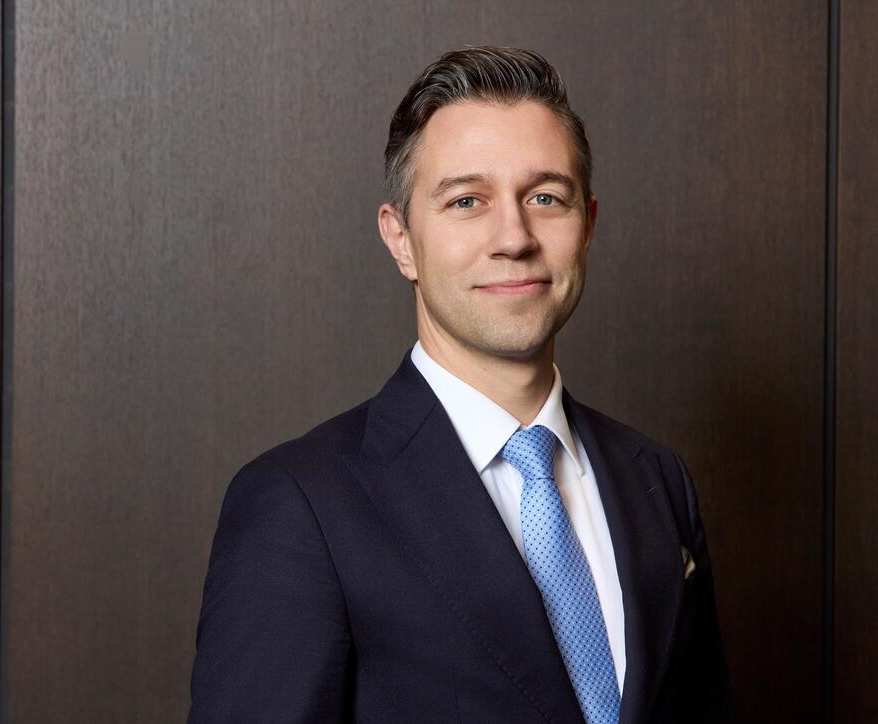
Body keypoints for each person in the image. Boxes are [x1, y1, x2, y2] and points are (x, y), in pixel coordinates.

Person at [188, 46, 732, 723]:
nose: (514, 237)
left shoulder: (657, 480)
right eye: (467, 201)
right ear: (401, 240)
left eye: (545, 197)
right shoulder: (300, 504)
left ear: (588, 225)